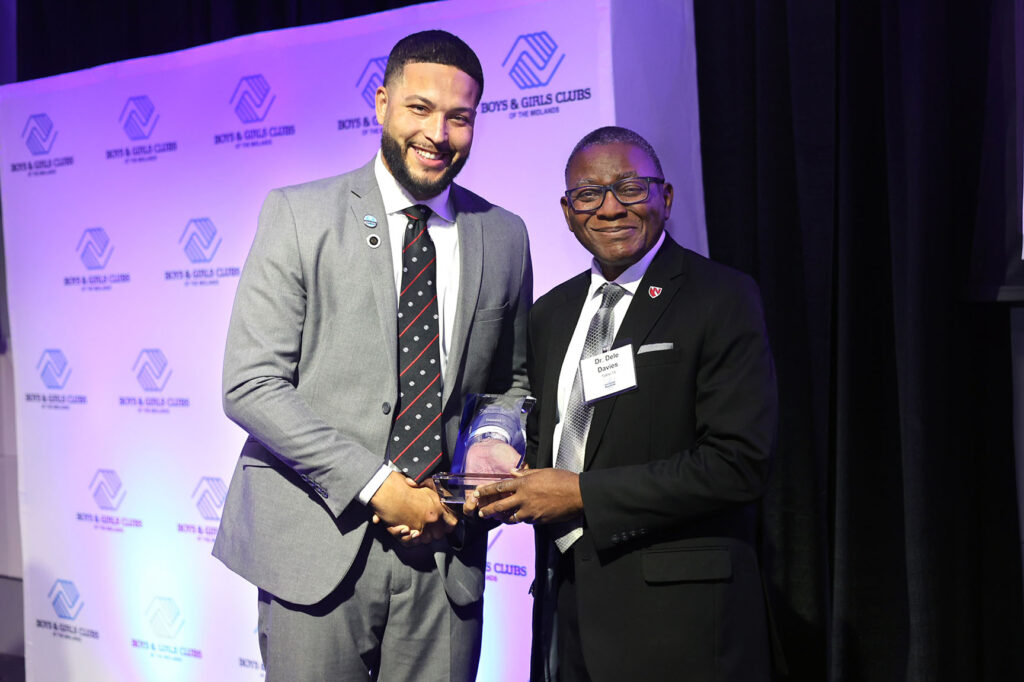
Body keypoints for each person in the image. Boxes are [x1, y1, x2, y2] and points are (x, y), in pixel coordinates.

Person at [213, 30, 532, 681]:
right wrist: (380, 486)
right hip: (316, 550)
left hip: (446, 558)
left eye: (459, 117)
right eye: (420, 108)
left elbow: (509, 382)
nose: (438, 133)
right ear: (382, 103)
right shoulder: (301, 215)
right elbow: (251, 384)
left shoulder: (503, 234)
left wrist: (489, 453)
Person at [469, 126, 779, 681]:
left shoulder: (721, 297)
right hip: (567, 609)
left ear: (666, 197)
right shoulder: (552, 313)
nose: (610, 208)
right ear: (567, 211)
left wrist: (582, 494)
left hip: (680, 622)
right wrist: (486, 476)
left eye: (631, 188)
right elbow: (544, 435)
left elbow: (739, 464)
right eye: (589, 195)